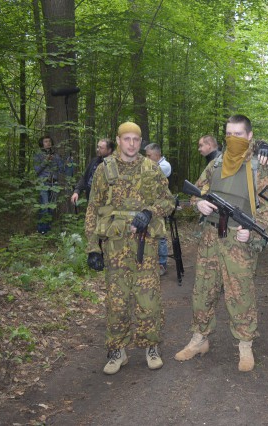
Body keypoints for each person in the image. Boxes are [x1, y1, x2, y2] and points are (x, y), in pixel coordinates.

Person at [175, 115, 268, 372]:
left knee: (240, 294)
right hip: (210, 236)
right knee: (203, 291)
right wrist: (198, 204)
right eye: (229, 134)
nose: (233, 139)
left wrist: (253, 232)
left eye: (239, 134)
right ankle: (199, 338)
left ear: (250, 136)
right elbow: (196, 192)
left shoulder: (259, 166)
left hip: (239, 241)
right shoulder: (215, 163)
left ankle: (245, 344)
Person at [84, 122, 175, 375]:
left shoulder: (151, 169)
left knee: (149, 300)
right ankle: (117, 351)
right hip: (115, 247)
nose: (132, 144)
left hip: (145, 246)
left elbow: (168, 201)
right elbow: (93, 208)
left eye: (136, 139)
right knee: (117, 301)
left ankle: (151, 347)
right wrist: (93, 247)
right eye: (127, 139)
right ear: (118, 140)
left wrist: (149, 211)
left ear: (141, 141)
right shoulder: (105, 170)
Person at [144, 142, 172, 276]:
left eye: (149, 155)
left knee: (160, 235)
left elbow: (150, 175)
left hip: (160, 205)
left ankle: (162, 263)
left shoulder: (165, 166)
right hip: (149, 205)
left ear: (157, 154)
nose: (147, 158)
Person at [70, 138, 115, 205]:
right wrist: (76, 191)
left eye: (101, 148)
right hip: (91, 200)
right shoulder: (94, 161)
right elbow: (85, 178)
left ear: (109, 150)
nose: (97, 149)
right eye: (98, 147)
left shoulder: (113, 165)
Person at [33, 135, 64, 234]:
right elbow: (37, 171)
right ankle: (41, 230)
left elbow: (61, 169)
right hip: (43, 183)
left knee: (51, 208)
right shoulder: (38, 155)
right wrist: (46, 161)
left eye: (49, 141)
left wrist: (65, 161)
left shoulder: (56, 155)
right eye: (46, 141)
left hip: (54, 183)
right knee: (44, 207)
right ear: (42, 143)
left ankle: (48, 230)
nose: (48, 143)